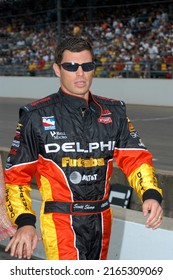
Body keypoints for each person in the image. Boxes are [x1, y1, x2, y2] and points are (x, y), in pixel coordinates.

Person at [4, 36, 163, 260]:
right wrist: (24, 222)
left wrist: (151, 194)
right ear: (57, 70)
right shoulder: (36, 116)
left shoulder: (114, 111)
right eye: (71, 66)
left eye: (86, 66)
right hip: (60, 221)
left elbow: (136, 159)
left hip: (102, 219)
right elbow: (16, 177)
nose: (80, 73)